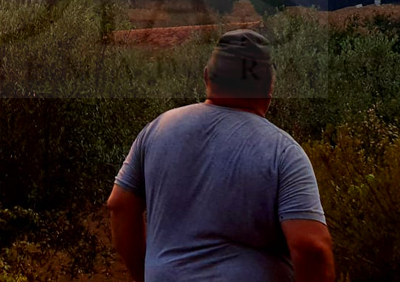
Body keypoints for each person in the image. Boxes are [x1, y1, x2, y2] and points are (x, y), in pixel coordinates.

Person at [107, 29, 335, 282]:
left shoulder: (158, 129)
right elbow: (311, 247)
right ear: (269, 86)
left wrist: (143, 275)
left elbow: (119, 205)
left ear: (207, 77)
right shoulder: (283, 152)